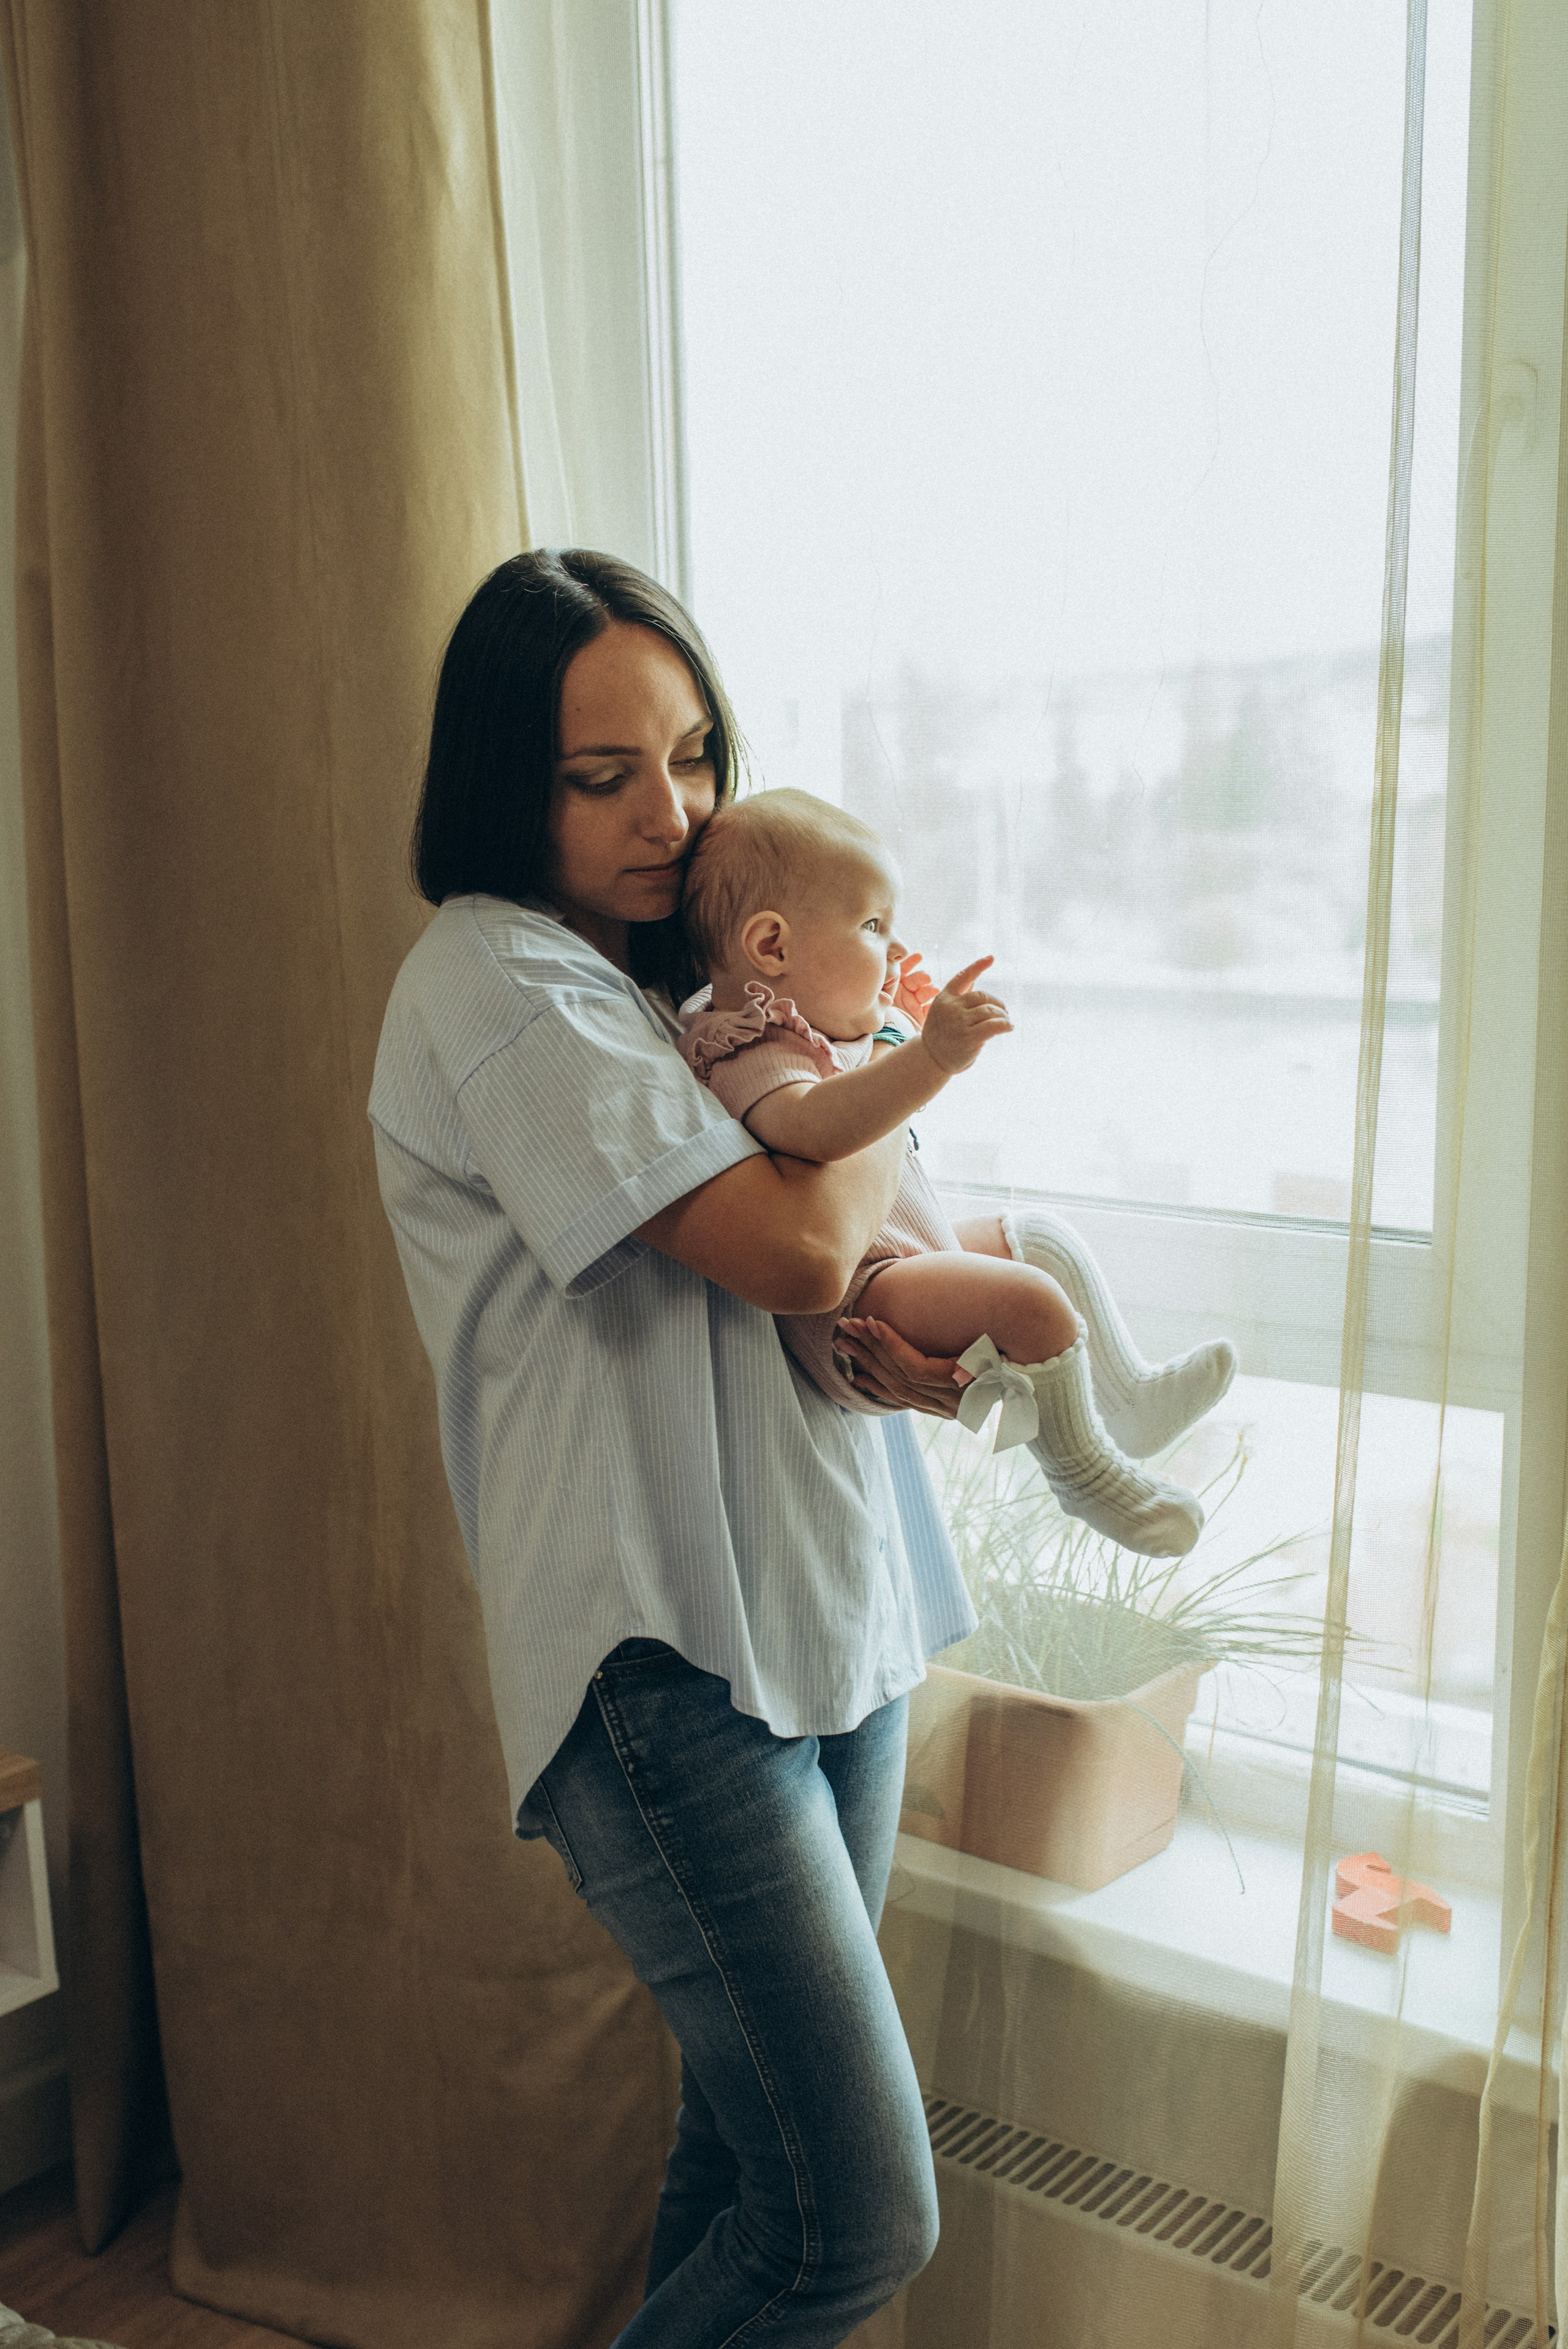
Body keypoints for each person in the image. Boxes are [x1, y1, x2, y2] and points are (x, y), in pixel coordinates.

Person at [370, 548, 979, 2348]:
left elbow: (836, 1264)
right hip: (660, 1654)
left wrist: (892, 1327)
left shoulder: (688, 986)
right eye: (602, 774)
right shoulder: (497, 982)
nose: (673, 812)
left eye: (694, 754)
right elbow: (790, 1244)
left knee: (747, 2159)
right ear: (508, 779)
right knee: (854, 2212)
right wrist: (882, 1035)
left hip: (825, 1592)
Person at [677, 790, 1236, 1557]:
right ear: (771, 947)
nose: (895, 950)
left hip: (898, 1257)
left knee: (1037, 1238)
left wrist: (897, 1029)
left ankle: (1127, 1397)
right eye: (873, 926)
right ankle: (1085, 1476)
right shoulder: (743, 1044)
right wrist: (924, 1056)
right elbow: (814, 1127)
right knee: (1030, 1301)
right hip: (857, 1301)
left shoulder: (816, 1027)